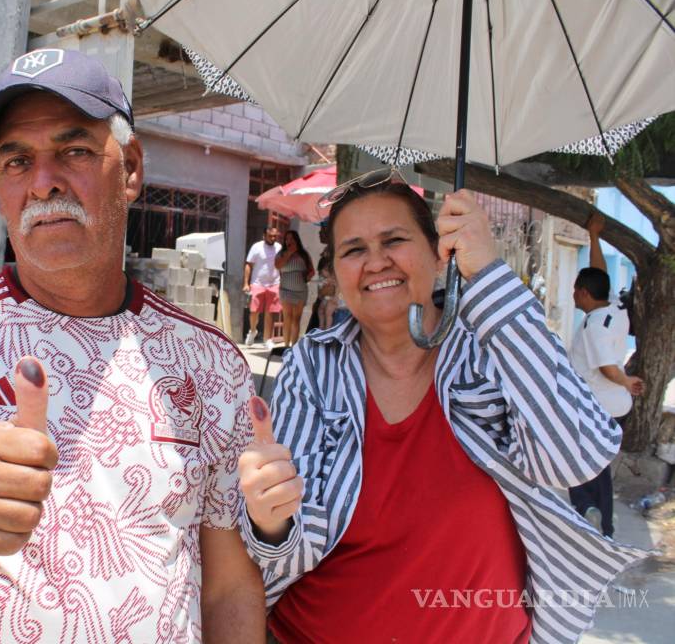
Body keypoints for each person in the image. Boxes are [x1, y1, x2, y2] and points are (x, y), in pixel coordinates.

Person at [0, 48, 265, 643]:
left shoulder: (210, 363)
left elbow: (227, 588)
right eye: (17, 160)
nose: (43, 183)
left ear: (131, 169)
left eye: (75, 151)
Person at [236, 173, 647, 644]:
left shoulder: (492, 346)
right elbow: (291, 553)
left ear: (439, 254)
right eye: (353, 250)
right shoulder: (313, 364)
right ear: (334, 273)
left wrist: (488, 276)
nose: (376, 261)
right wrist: (271, 520)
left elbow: (578, 457)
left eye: (394, 240)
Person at [568, 212, 644, 537]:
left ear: (585, 293)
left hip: (597, 406)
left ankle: (588, 510)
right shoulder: (613, 308)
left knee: (577, 459)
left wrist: (627, 380)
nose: (573, 294)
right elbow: (600, 274)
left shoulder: (595, 326)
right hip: (614, 407)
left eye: (576, 289)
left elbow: (607, 367)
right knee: (598, 464)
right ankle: (604, 526)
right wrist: (594, 236)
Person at [275, 230, 315, 347]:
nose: (289, 241)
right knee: (287, 318)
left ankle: (294, 346)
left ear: (297, 240)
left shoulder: (304, 254)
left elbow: (311, 270)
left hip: (301, 291)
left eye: (292, 239)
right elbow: (278, 265)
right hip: (285, 290)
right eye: (287, 239)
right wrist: (289, 253)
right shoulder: (281, 254)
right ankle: (286, 346)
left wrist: (307, 276)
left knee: (296, 319)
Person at [244, 227, 282, 348]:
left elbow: (282, 265)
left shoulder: (279, 248)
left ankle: (267, 339)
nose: (273, 238)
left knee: (271, 312)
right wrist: (246, 283)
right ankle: (253, 330)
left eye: (275, 236)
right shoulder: (256, 247)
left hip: (275, 283)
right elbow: (249, 265)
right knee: (254, 311)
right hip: (257, 283)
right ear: (264, 236)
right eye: (270, 236)